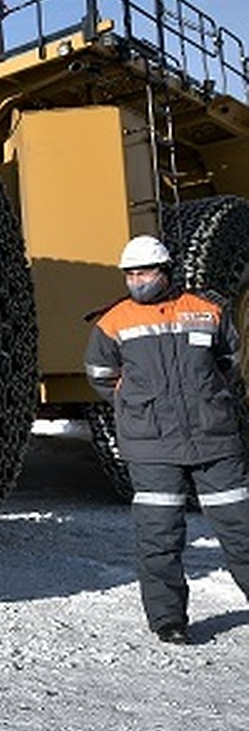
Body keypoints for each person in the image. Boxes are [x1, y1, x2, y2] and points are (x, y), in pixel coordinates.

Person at [85, 234, 249, 645]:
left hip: (214, 441)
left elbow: (228, 361)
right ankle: (168, 621)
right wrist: (140, 406)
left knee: (240, 530)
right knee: (159, 537)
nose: (136, 281)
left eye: (144, 272)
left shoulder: (208, 311)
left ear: (166, 271)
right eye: (130, 274)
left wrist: (205, 400)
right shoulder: (113, 322)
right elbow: (101, 375)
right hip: (152, 447)